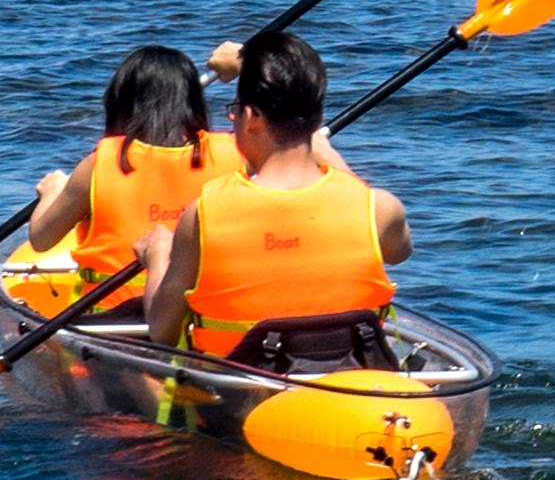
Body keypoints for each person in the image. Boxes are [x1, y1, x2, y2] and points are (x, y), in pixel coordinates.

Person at [144, 27, 412, 373]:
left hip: (234, 400)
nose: (231, 118)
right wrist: (324, 151)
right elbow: (398, 252)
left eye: (235, 110)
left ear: (252, 117)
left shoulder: (203, 215)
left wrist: (157, 257)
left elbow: (161, 331)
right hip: (352, 385)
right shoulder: (379, 208)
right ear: (316, 116)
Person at [14, 44, 210, 297]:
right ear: (193, 101)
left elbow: (41, 239)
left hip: (115, 314)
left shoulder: (98, 164)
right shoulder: (233, 157)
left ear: (121, 102)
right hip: (191, 309)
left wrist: (52, 191)